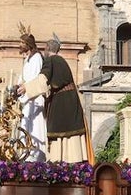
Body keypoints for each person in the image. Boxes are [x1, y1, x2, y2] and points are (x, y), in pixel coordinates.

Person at [17, 34, 91, 163]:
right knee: (70, 134)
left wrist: (26, 88)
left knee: (61, 132)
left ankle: (59, 161)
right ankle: (73, 160)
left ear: (47, 48)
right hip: (70, 101)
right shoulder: (62, 61)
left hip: (62, 102)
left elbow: (43, 79)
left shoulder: (51, 61)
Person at [16, 29, 47, 162]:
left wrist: (25, 89)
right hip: (27, 99)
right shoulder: (28, 58)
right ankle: (25, 154)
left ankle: (35, 157)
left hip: (35, 98)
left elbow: (36, 80)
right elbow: (23, 77)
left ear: (28, 44)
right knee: (25, 125)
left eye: (22, 43)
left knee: (35, 127)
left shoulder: (37, 58)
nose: (19, 45)